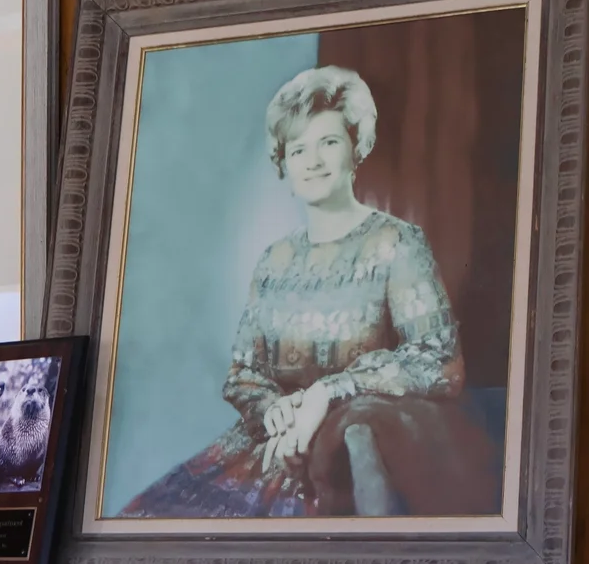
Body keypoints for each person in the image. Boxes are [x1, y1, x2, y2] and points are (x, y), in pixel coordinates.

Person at [123, 66, 499, 519]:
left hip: (339, 461)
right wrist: (273, 409)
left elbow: (440, 362)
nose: (313, 160)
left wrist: (329, 393)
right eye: (298, 148)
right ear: (284, 161)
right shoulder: (273, 261)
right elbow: (243, 373)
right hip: (264, 449)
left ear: (356, 148)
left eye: (329, 142)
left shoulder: (396, 244)